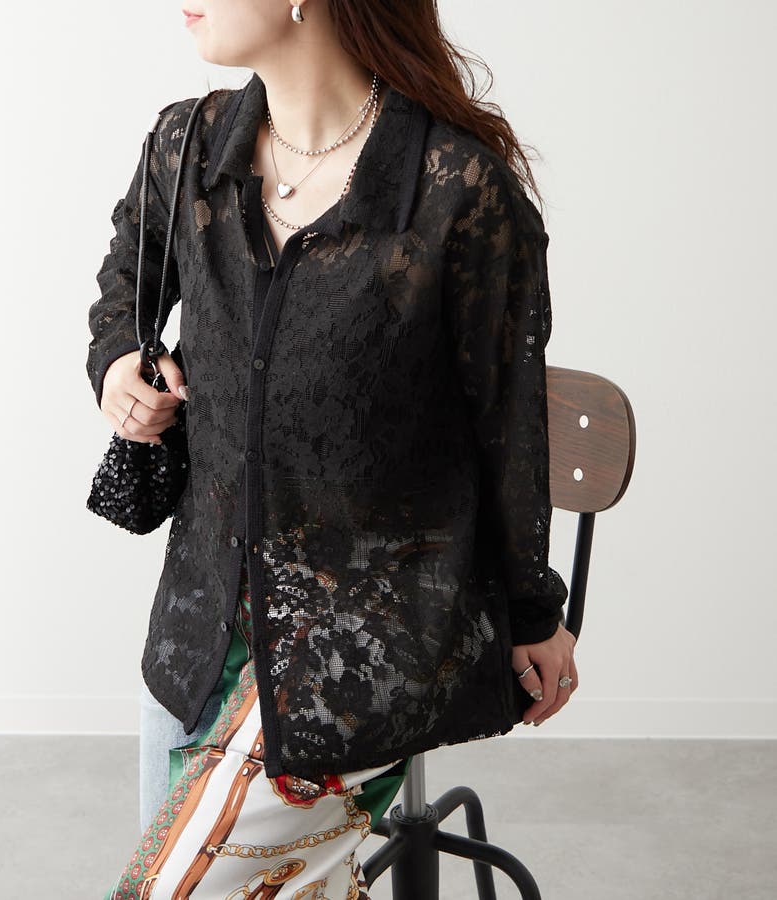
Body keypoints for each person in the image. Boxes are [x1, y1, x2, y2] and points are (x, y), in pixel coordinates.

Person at [87, 1, 578, 896]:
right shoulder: (188, 146)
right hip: (199, 625)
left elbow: (507, 425)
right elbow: (128, 274)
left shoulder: (456, 190)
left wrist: (533, 612)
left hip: (364, 642)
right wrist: (121, 359)